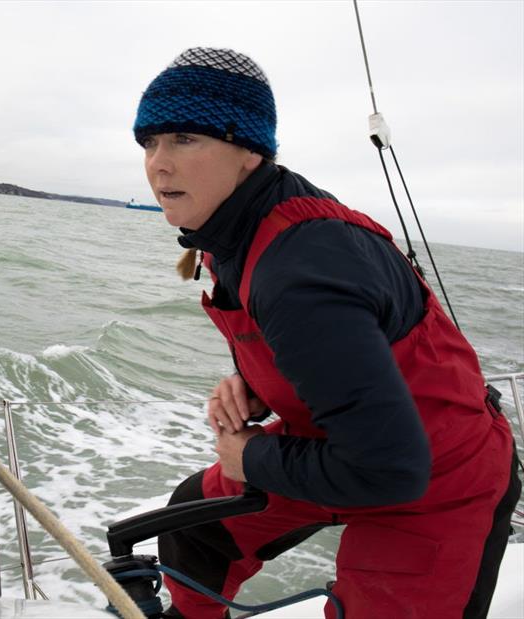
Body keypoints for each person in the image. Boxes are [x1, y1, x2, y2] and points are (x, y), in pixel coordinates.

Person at [132, 47, 520, 619]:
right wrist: (255, 383)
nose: (158, 164)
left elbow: (391, 469)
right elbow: (324, 343)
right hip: (347, 443)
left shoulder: (300, 265)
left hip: (437, 478)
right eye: (148, 142)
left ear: (249, 151)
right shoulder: (234, 226)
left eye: (185, 139)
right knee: (199, 522)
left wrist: (253, 459)